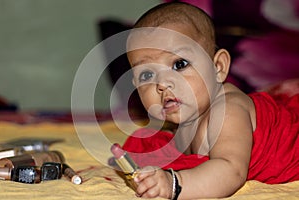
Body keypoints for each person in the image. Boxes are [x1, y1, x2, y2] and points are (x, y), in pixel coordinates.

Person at [120, 2, 299, 199]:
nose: (162, 83)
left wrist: (174, 183)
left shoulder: (228, 110)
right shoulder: (181, 127)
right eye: (147, 75)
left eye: (179, 64)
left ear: (218, 67)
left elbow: (231, 171)